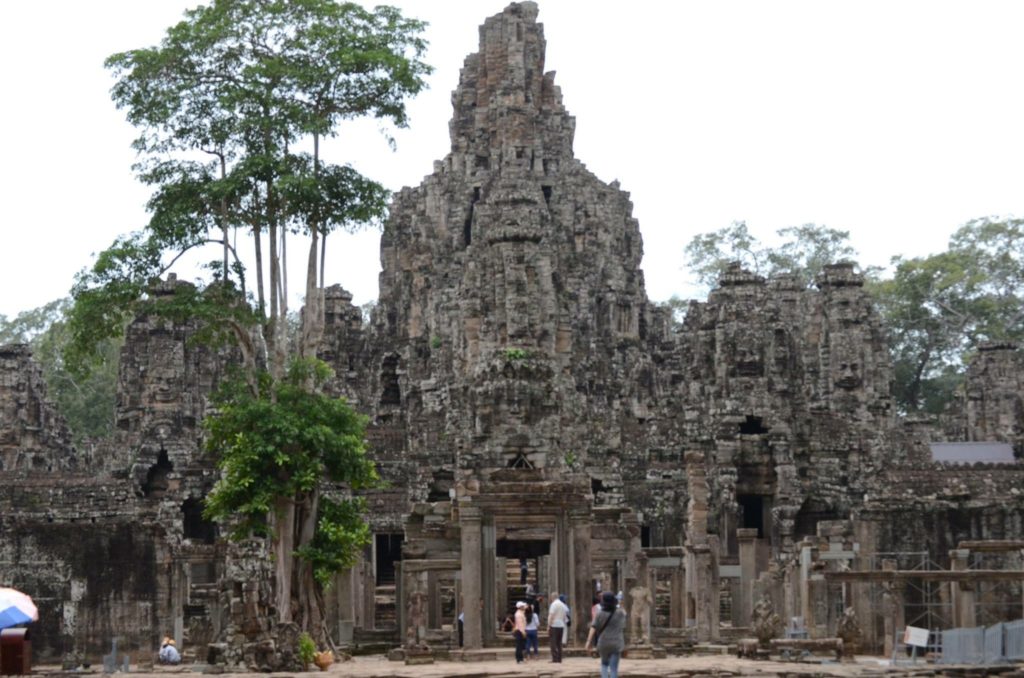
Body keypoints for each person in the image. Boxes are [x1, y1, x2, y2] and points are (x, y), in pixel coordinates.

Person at [585, 591, 626, 678]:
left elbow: (593, 627)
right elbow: (624, 624)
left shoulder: (599, 613)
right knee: (613, 668)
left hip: (603, 642)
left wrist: (588, 641)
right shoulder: (620, 613)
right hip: (616, 642)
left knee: (604, 664)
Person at [547, 591, 569, 662]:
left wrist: (548, 625)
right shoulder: (563, 605)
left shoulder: (554, 604)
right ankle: (559, 658)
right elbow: (565, 616)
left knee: (553, 642)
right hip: (561, 625)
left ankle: (555, 658)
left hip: (554, 625)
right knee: (559, 643)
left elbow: (551, 615)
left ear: (552, 597)